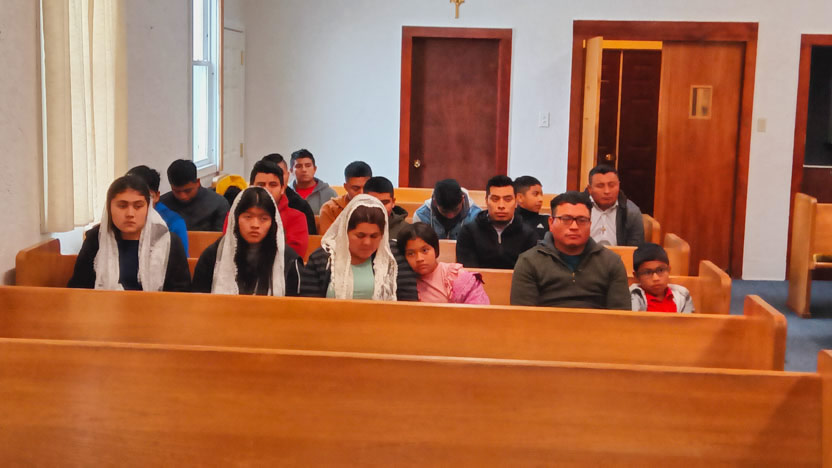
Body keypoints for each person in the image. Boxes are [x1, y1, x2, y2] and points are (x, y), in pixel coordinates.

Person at [68, 175, 191, 291]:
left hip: (157, 306)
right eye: (122, 206)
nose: (130, 214)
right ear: (109, 207)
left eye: (138, 206)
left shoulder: (167, 241)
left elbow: (181, 293)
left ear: (148, 208)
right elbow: (79, 288)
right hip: (104, 305)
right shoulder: (96, 239)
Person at [510, 191, 630, 309]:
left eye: (582, 220)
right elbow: (523, 316)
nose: (574, 227)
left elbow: (621, 316)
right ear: (551, 223)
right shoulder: (529, 261)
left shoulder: (611, 262)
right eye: (566, 219)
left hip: (597, 321)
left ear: (590, 224)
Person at [300, 194, 418, 300]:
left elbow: (409, 305)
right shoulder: (321, 259)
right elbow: (308, 307)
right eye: (360, 236)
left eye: (374, 236)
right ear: (345, 232)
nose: (367, 242)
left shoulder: (394, 257)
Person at [192, 186, 303, 295]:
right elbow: (197, 300)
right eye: (248, 217)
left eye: (263, 219)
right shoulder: (213, 255)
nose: (255, 225)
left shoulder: (288, 259)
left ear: (273, 223)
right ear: (235, 219)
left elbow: (296, 303)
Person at [456, 175, 538, 269]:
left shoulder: (528, 235)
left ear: (516, 202)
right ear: (486, 201)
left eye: (507, 199)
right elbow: (469, 272)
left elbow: (528, 273)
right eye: (495, 199)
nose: (501, 205)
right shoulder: (468, 232)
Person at [397, 223, 489, 304]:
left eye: (425, 250)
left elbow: (479, 312)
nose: (419, 259)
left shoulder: (456, 276)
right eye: (411, 254)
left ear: (435, 250)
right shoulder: (402, 282)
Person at [244, 160, 308, 258]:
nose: (267, 190)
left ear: (282, 188)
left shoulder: (297, 218)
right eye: (261, 185)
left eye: (273, 185)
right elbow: (230, 247)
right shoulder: (237, 215)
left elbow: (293, 256)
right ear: (251, 187)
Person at [126, 165, 189, 255]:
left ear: (156, 196)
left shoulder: (174, 222)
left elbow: (180, 260)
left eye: (142, 196)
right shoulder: (124, 218)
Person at [159, 159, 229, 232]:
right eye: (177, 191)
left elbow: (221, 236)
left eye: (188, 191)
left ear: (198, 182)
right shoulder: (161, 205)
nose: (183, 196)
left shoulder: (219, 204)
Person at [585, 164, 644, 246]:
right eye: (600, 186)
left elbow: (636, 249)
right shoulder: (578, 209)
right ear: (590, 189)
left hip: (619, 254)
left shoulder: (631, 212)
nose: (607, 191)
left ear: (619, 185)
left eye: (611, 185)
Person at [261, 153, 317, 235]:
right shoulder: (250, 201)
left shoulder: (300, 206)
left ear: (288, 175)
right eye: (269, 174)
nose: (275, 179)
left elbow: (310, 239)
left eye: (280, 174)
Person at [630, 243, 694, 313]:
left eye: (660, 270)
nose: (656, 278)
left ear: (669, 270)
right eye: (647, 272)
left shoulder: (683, 296)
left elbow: (687, 319)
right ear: (636, 276)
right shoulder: (632, 298)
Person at [413, 178, 481, 240]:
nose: (450, 216)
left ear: (462, 199)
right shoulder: (421, 216)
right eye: (444, 211)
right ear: (435, 202)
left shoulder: (476, 217)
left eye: (456, 210)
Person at [318, 161, 373, 235]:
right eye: (355, 188)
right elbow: (327, 240)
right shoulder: (330, 209)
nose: (361, 193)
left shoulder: (380, 206)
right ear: (346, 187)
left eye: (366, 188)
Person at [290, 149, 338, 215]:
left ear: (315, 169)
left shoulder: (330, 194)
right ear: (291, 171)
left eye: (308, 166)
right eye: (298, 166)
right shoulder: (284, 193)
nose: (304, 170)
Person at [514, 175, 550, 240]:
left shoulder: (548, 221)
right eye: (535, 194)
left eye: (541, 195)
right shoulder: (510, 221)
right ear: (520, 197)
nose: (540, 199)